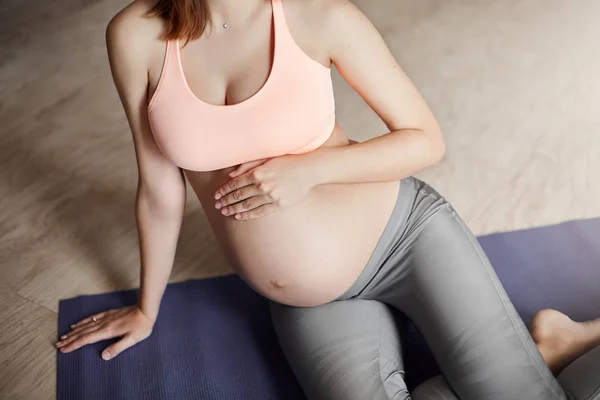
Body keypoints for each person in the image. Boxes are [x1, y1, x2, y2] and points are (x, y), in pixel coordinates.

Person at [55, 0, 600, 398]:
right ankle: (541, 349)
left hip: (406, 240)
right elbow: (158, 185)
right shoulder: (135, 35)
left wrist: (308, 170)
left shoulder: (318, 16)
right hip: (310, 300)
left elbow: (424, 139)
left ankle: (555, 343)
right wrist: (147, 310)